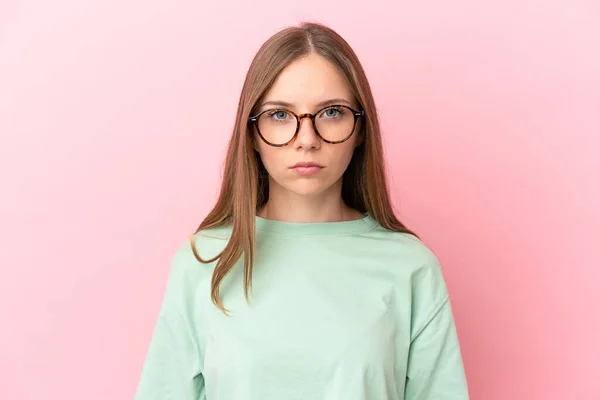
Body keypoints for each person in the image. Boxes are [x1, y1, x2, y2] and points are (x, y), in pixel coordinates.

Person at [134, 21, 469, 400]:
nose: (306, 140)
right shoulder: (203, 260)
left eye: (331, 113)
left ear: (360, 129)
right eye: (280, 115)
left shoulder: (412, 267)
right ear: (251, 133)